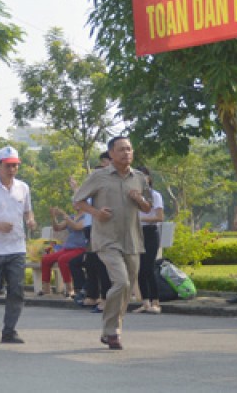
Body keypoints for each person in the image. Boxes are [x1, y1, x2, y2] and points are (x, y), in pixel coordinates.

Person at [74, 136, 151, 350]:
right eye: (121, 149)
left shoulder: (139, 178)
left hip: (133, 239)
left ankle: (111, 330)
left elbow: (148, 207)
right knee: (122, 282)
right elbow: (77, 201)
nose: (126, 153)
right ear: (111, 154)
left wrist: (139, 199)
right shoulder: (99, 176)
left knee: (126, 289)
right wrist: (96, 213)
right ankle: (112, 331)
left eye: (129, 149)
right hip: (107, 239)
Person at [0, 146, 36, 344]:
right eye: (8, 165)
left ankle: (9, 330)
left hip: (16, 247)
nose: (12, 169)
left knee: (16, 290)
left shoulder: (23, 187)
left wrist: (30, 220)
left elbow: (27, 211)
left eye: (15, 165)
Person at [134, 166, 164, 314]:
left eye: (143, 176)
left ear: (149, 178)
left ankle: (156, 301)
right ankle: (145, 302)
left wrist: (140, 219)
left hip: (150, 232)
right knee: (138, 268)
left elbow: (159, 217)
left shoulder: (155, 195)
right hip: (137, 233)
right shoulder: (133, 197)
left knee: (148, 267)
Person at [41, 206, 88, 297]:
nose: (74, 203)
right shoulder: (71, 217)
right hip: (67, 248)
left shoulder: (87, 217)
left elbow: (76, 227)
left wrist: (64, 214)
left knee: (63, 259)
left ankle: (69, 289)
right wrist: (53, 217)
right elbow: (57, 228)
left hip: (80, 248)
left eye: (76, 201)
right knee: (46, 259)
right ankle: (46, 289)